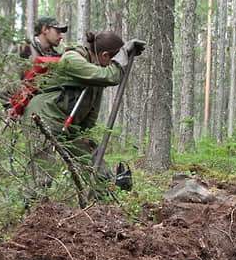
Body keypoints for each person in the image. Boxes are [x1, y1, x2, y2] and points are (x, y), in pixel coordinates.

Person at [22, 30, 144, 200]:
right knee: (42, 173)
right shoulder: (72, 59)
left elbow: (92, 109)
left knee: (95, 163)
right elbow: (111, 77)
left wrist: (85, 134)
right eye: (113, 60)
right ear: (105, 55)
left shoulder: (97, 69)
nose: (113, 65)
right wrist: (123, 56)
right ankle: (33, 214)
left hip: (68, 124)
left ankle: (104, 202)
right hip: (43, 117)